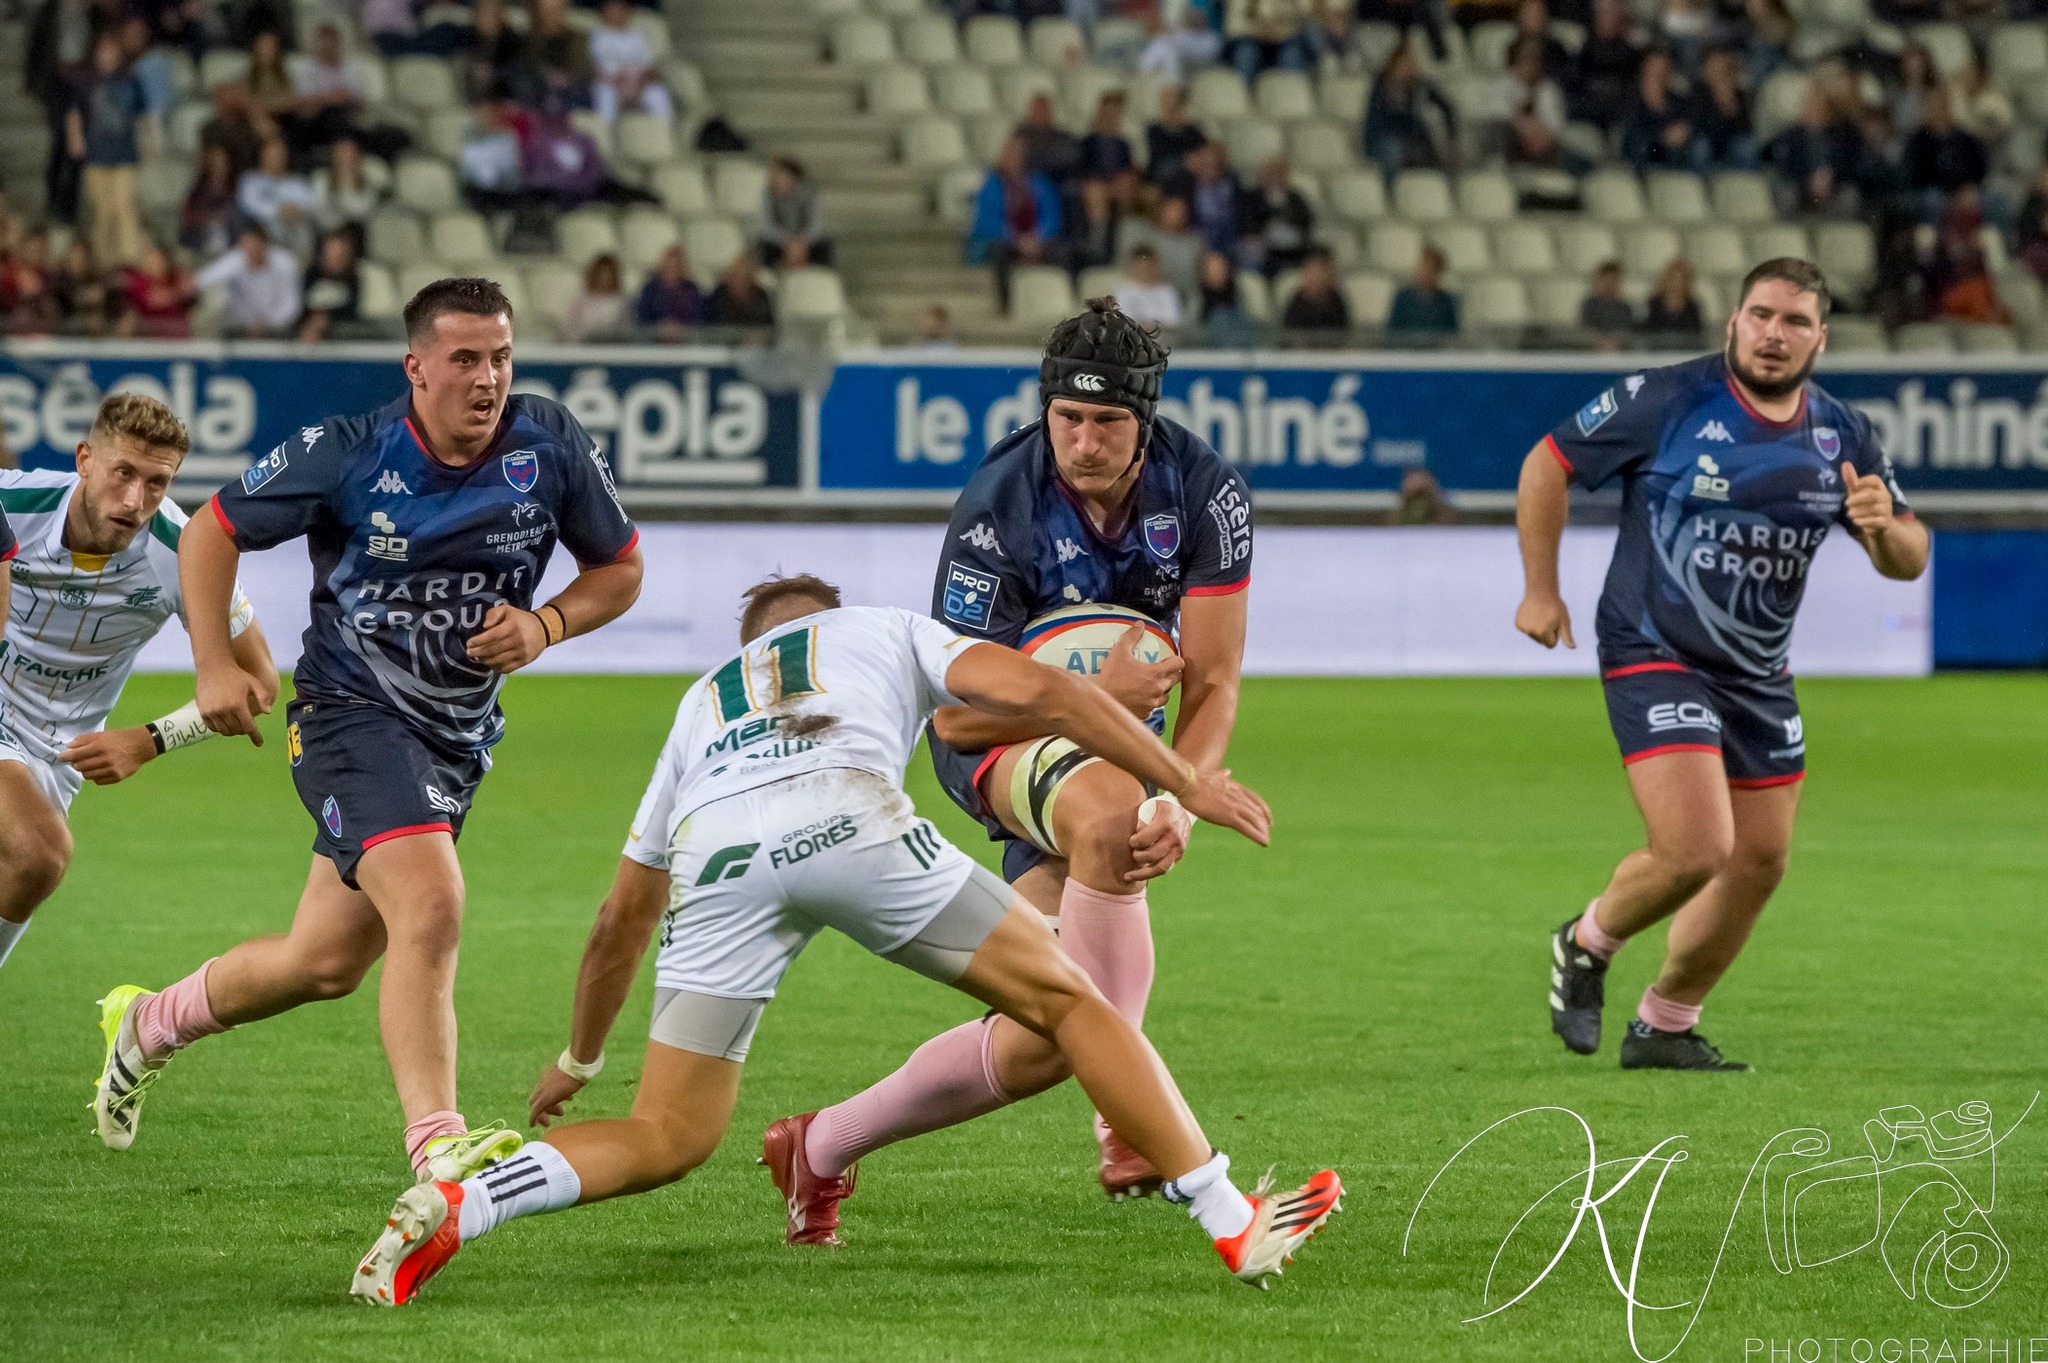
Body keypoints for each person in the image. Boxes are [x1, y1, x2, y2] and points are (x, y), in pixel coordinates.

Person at [351, 574, 1340, 1305]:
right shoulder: (883, 627)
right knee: (1070, 999)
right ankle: (1226, 1215)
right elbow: (1050, 695)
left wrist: (580, 1055)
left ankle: (466, 1204)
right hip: (845, 816)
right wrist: (1181, 776)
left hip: (720, 860)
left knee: (666, 1134)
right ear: (825, 613)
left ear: (747, 644)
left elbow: (621, 918)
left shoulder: (698, 705)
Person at [91, 278, 645, 1182]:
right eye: (465, 359)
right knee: (433, 900)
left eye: (501, 357)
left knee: (324, 962)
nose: (487, 379)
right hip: (349, 714)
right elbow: (209, 533)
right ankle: (438, 1144)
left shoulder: (548, 442)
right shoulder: (351, 450)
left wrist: (546, 625)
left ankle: (151, 1021)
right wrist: (212, 663)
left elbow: (620, 568)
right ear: (416, 366)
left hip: (456, 739)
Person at [759, 299, 1264, 1221]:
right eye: (1067, 418)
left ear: (1144, 420)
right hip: (1000, 746)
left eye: (1108, 422)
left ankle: (817, 1144)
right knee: (1111, 808)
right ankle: (1138, 1124)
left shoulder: (1206, 491)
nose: (1083, 440)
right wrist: (1100, 706)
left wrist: (1180, 804)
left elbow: (1218, 678)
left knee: (1048, 1030)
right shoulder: (1001, 502)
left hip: (1118, 748)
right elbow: (954, 723)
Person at [1516, 258, 1927, 1071]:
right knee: (1697, 846)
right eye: (1762, 315)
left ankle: (1666, 1022)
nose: (1775, 335)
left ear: (1821, 336)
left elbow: (1909, 557)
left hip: (1758, 673)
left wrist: (1882, 527)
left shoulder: (1841, 432)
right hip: (1652, 647)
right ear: (1732, 321)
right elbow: (1547, 463)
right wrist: (1540, 589)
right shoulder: (1667, 399)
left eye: (1795, 321)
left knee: (1760, 860)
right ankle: (1587, 941)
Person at [0, 394, 275, 979]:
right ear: (84, 459)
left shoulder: (182, 551)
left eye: (157, 482)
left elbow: (260, 683)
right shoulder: (15, 503)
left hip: (58, 754)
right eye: (123, 472)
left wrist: (149, 741)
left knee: (28, 867)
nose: (135, 500)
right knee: (40, 854)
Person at [68, 31, 148, 269]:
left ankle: (129, 260)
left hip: (125, 153)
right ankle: (104, 260)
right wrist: (76, 138)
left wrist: (146, 145)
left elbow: (141, 116)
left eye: (112, 50)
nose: (107, 55)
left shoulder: (131, 80)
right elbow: (74, 113)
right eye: (104, 50)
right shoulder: (85, 81)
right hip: (96, 154)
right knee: (102, 210)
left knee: (124, 207)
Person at [968, 134, 1063, 312]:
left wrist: (1037, 238)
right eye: (1009, 153)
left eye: (1018, 153)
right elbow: (987, 221)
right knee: (998, 251)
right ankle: (1007, 305)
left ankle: (1060, 305)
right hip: (1007, 241)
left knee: (1061, 252)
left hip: (1036, 241)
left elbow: (1052, 216)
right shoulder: (992, 184)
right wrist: (1016, 239)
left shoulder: (1039, 183)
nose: (1013, 157)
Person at [1363, 43, 1458, 176]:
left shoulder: (1417, 86)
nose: (1407, 69)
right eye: (1403, 65)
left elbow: (1446, 106)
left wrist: (1451, 137)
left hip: (1409, 140)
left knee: (1435, 153)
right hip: (1384, 139)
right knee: (1394, 150)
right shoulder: (1380, 87)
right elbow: (1384, 122)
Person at [195, 228, 302, 338]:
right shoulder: (238, 258)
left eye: (253, 248)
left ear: (263, 245)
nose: (248, 252)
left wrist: (268, 322)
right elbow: (206, 278)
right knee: (216, 297)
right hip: (242, 323)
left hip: (277, 325)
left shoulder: (285, 264)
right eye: (245, 248)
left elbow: (291, 304)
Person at [588, 0, 671, 122]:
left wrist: (639, 85)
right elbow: (596, 67)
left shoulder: (637, 35)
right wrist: (619, 83)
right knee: (605, 94)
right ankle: (605, 138)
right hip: (611, 83)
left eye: (619, 8)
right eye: (611, 8)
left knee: (657, 93)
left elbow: (649, 66)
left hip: (638, 83)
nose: (615, 12)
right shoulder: (598, 35)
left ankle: (664, 136)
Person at [1621, 49, 1693, 171]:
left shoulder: (1677, 101)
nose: (1659, 74)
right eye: (1655, 69)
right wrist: (1663, 137)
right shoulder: (1631, 99)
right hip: (1643, 157)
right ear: (1645, 70)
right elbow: (1633, 136)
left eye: (1664, 69)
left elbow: (1688, 125)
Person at [1244, 155, 1314, 276]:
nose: (1275, 178)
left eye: (1279, 173)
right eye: (1271, 173)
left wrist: (1286, 215)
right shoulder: (1254, 198)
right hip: (1266, 249)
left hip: (1295, 248)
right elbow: (1250, 223)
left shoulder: (1295, 197)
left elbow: (1306, 221)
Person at [754, 158, 830, 269]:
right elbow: (766, 225)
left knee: (823, 244)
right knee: (764, 245)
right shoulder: (767, 195)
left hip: (804, 241)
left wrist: (801, 241)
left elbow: (816, 225)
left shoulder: (810, 193)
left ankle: (820, 277)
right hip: (780, 241)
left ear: (793, 178)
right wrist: (786, 240)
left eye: (779, 175)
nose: (774, 179)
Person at [1689, 47, 1757, 171]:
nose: (1718, 71)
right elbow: (1700, 125)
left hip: (1730, 140)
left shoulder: (1739, 94)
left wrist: (1729, 102)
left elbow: (1745, 128)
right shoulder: (1698, 91)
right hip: (1707, 140)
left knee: (1748, 147)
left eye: (1723, 68)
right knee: (1701, 148)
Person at [298, 228, 363, 341]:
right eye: (331, 253)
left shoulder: (355, 279)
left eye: (340, 255)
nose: (336, 259)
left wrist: (327, 321)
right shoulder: (310, 277)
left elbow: (354, 312)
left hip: (346, 339)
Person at [121, 242, 197, 338]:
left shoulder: (174, 277)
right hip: (150, 338)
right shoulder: (138, 280)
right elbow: (151, 301)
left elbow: (189, 299)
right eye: (149, 258)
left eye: (156, 258)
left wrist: (187, 290)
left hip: (176, 340)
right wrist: (177, 293)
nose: (151, 261)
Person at [1225, 0, 1313, 81]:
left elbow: (1304, 17)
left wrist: (1279, 31)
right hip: (1250, 39)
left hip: (1285, 38)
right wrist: (1262, 31)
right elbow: (1233, 28)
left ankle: (1291, 92)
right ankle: (1244, 93)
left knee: (1291, 52)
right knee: (1245, 52)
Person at [180, 145, 241, 260]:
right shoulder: (197, 190)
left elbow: (239, 216)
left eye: (223, 163)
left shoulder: (234, 188)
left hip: (229, 237)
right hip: (202, 237)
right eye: (216, 164)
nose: (220, 167)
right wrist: (209, 218)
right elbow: (187, 218)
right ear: (209, 166)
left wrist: (226, 217)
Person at [1386, 246, 1459, 342]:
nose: (1424, 272)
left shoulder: (1447, 301)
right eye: (1422, 267)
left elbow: (1451, 334)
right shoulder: (1402, 298)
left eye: (1431, 269)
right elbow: (1393, 332)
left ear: (1438, 273)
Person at [1143, 86, 1206, 191]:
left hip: (1193, 184)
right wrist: (1183, 162)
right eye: (1166, 106)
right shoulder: (1154, 132)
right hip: (1162, 183)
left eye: (1174, 106)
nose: (1170, 111)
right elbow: (1157, 165)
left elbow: (1202, 158)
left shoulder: (1193, 132)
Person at [635, 245, 705, 337]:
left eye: (676, 265)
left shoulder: (691, 290)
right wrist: (660, 327)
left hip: (685, 341)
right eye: (669, 264)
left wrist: (682, 328)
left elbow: (699, 318)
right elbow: (643, 318)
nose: (672, 268)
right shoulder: (650, 289)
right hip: (655, 342)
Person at [1016, 93, 1083, 187]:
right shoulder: (1019, 137)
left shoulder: (1063, 138)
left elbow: (1072, 158)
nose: (1040, 114)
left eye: (1044, 110)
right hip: (1029, 183)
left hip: (1058, 180)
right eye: (1037, 110)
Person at [563, 253, 629, 342]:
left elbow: (624, 331)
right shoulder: (581, 301)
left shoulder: (622, 303)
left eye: (608, 274)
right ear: (595, 274)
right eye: (601, 273)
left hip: (612, 347)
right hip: (584, 347)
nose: (605, 278)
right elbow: (571, 327)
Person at [1281, 249, 1351, 330]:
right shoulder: (1297, 300)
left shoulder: (1335, 299)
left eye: (1319, 272)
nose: (1315, 277)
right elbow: (1290, 330)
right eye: (1311, 273)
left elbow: (1343, 330)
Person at [1640, 256, 1703, 344]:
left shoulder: (1692, 308)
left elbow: (1695, 336)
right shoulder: (1653, 304)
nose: (1675, 284)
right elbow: (1646, 333)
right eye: (1672, 279)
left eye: (1680, 280)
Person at [1115, 244, 1181, 327]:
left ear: (1156, 267)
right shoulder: (1125, 290)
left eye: (1149, 267)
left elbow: (1172, 322)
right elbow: (1122, 320)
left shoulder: (1166, 291)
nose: (1146, 272)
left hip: (1162, 335)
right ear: (1134, 267)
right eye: (1142, 268)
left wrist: (1152, 327)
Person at [707, 253, 775, 329]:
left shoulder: (761, 295)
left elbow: (768, 325)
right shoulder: (718, 295)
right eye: (736, 274)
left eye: (744, 276)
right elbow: (713, 325)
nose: (739, 280)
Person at [1578, 259, 1635, 347]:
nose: (1609, 285)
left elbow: (1626, 331)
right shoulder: (1589, 305)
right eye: (1606, 280)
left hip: (1618, 351)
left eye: (1613, 280)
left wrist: (1614, 342)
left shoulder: (1625, 308)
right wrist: (1600, 342)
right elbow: (1587, 329)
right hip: (1592, 351)